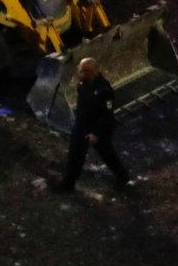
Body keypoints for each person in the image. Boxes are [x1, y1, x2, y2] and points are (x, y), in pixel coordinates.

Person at [50, 58, 131, 192]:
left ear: (91, 72)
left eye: (82, 71)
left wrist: (97, 133)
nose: (79, 74)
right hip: (82, 125)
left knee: (107, 154)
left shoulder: (104, 90)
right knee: (75, 155)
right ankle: (68, 184)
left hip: (97, 128)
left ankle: (122, 175)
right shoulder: (83, 84)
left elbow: (107, 114)